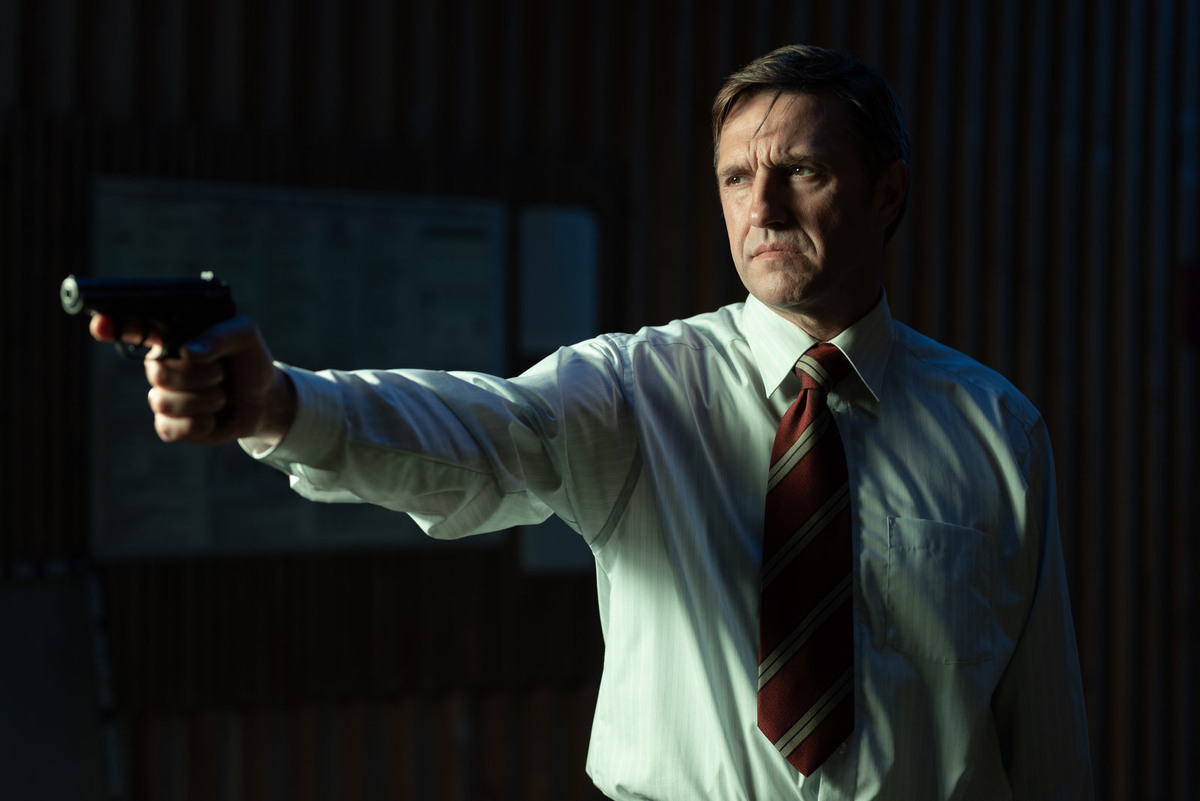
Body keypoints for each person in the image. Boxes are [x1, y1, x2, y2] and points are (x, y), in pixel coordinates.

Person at [91, 44, 1093, 800]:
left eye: (803, 172)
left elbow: (1044, 734)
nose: (763, 209)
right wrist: (284, 405)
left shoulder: (997, 431)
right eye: (736, 178)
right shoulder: (639, 389)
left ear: (887, 193)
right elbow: (477, 429)